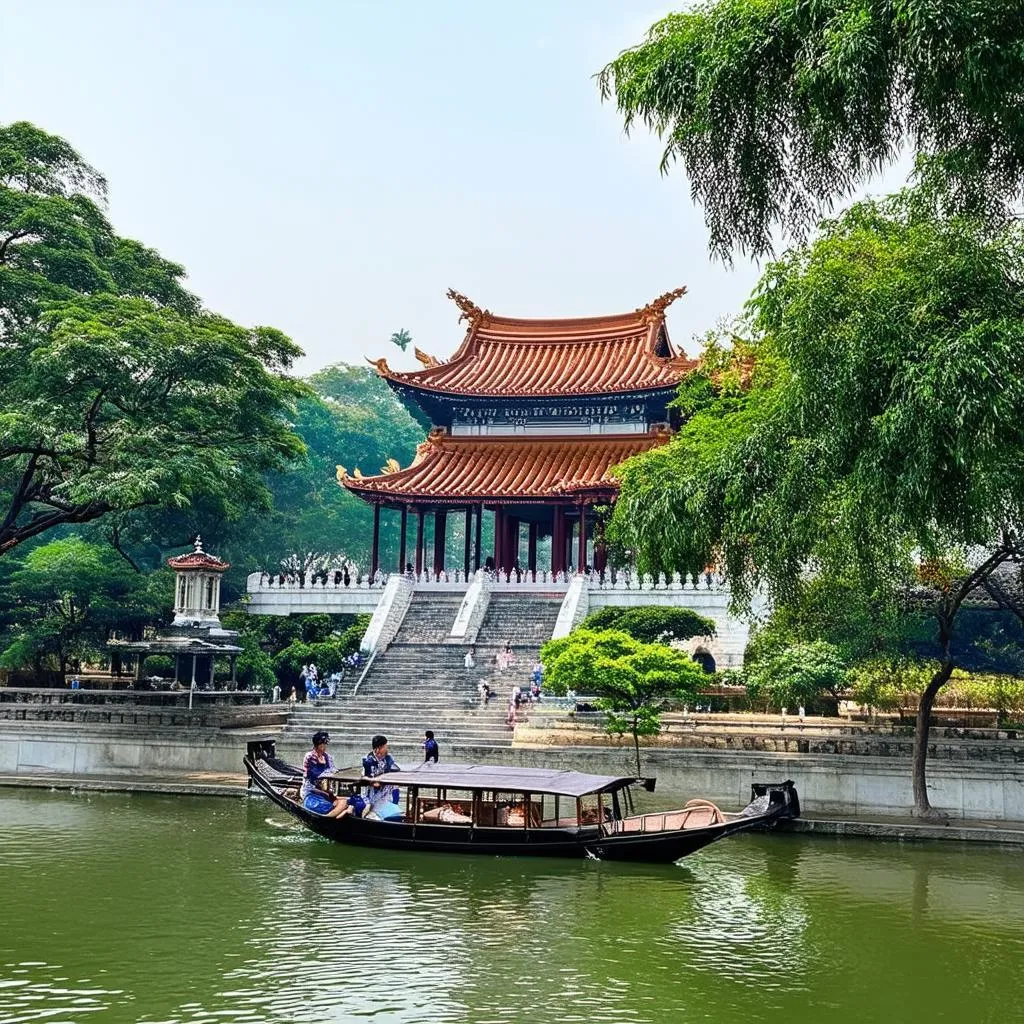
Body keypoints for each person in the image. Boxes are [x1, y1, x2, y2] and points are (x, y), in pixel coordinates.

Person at [300, 731, 353, 819]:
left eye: (325, 744)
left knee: (347, 799)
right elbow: (314, 775)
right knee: (334, 805)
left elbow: (334, 772)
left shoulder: (328, 757)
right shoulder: (309, 757)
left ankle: (338, 812)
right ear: (317, 744)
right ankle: (331, 816)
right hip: (312, 793)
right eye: (322, 744)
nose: (324, 747)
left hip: (328, 792)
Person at [362, 734, 401, 816]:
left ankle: (394, 806)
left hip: (386, 789)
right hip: (373, 792)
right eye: (385, 746)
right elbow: (368, 779)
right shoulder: (368, 761)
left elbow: (395, 770)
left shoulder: (388, 758)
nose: (387, 749)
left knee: (395, 786)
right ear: (379, 748)